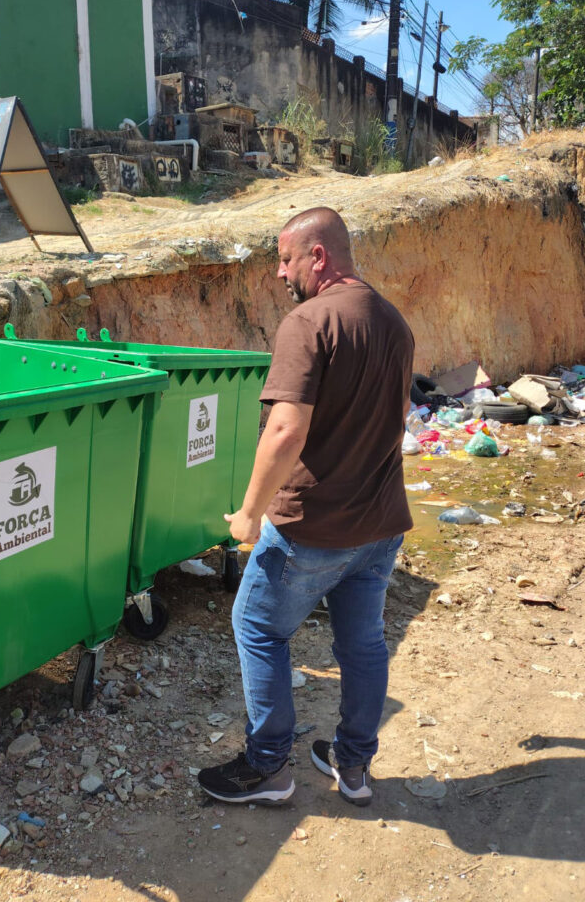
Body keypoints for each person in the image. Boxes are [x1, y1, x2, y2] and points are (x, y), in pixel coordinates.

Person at [197, 207, 414, 807]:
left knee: (257, 628)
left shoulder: (308, 322)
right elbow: (397, 418)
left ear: (318, 257)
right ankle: (354, 765)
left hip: (311, 528)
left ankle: (268, 768)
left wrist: (249, 514)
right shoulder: (393, 322)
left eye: (285, 259)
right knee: (363, 645)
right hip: (380, 525)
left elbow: (285, 429)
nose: (279, 272)